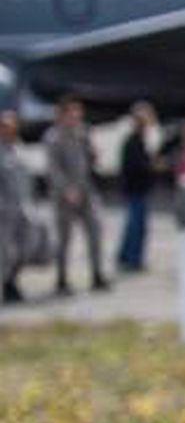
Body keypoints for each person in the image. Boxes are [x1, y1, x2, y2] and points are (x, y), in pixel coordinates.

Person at [44, 97, 109, 295]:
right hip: (64, 195)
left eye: (77, 112)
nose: (75, 116)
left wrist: (94, 154)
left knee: (95, 232)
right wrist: (67, 189)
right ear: (62, 115)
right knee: (64, 239)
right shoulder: (54, 137)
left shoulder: (83, 133)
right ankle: (61, 279)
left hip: (86, 191)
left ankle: (97, 274)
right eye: (71, 113)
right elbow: (53, 169)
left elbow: (90, 161)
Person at [116, 101, 159, 273]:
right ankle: (134, 259)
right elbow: (137, 166)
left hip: (137, 189)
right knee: (137, 227)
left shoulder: (137, 141)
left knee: (132, 226)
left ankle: (125, 256)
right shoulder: (133, 142)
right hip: (136, 189)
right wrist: (153, 166)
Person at [1, 109, 32, 303]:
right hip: (3, 212)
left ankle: (13, 279)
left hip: (22, 209)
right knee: (6, 251)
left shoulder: (19, 149)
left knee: (24, 248)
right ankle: (7, 285)